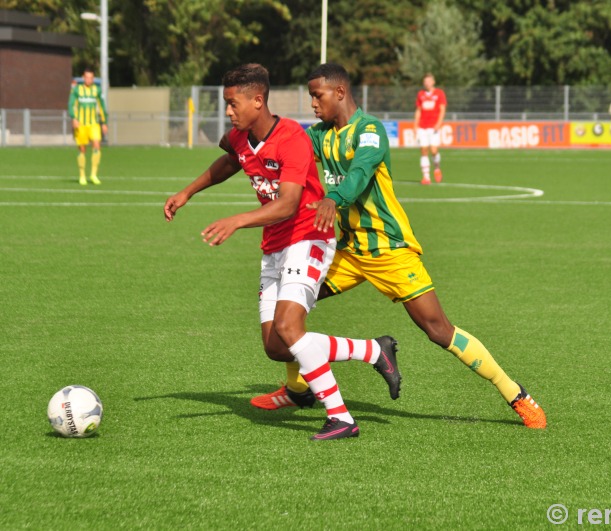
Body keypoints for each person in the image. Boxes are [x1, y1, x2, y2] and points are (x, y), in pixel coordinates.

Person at [251, 63, 546, 430]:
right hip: (345, 250)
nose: (312, 103)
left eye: (317, 95)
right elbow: (288, 144)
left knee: (439, 330)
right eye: (310, 95)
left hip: (389, 250)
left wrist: (335, 198)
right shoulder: (317, 136)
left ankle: (516, 394)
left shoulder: (371, 130)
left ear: (340, 92)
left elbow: (360, 172)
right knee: (289, 311)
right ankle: (298, 390)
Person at [163, 64, 401, 441]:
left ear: (258, 101)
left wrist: (236, 221)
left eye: (232, 103)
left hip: (309, 237)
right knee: (277, 346)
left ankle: (340, 417)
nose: (228, 111)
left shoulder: (292, 137)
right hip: (275, 246)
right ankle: (374, 350)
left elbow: (289, 204)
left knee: (290, 328)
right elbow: (228, 162)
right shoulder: (240, 137)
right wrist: (187, 192)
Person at [68, 67, 108, 185]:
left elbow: (101, 106)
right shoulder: (77, 90)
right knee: (82, 149)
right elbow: (71, 104)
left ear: (93, 78)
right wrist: (74, 118)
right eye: (87, 77)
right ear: (83, 77)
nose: (89, 79)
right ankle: (82, 175)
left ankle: (93, 175)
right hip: (81, 124)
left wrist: (104, 122)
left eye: (91, 77)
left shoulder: (97, 90)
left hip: (93, 124)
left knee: (97, 145)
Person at [414, 73, 447, 185]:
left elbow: (442, 109)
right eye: (425, 82)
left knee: (433, 151)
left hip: (433, 127)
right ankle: (426, 177)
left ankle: (437, 167)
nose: (426, 83)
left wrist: (439, 123)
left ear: (433, 82)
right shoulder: (420, 94)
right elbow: (418, 110)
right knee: (423, 151)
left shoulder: (439, 93)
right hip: (422, 127)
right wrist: (415, 125)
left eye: (428, 81)